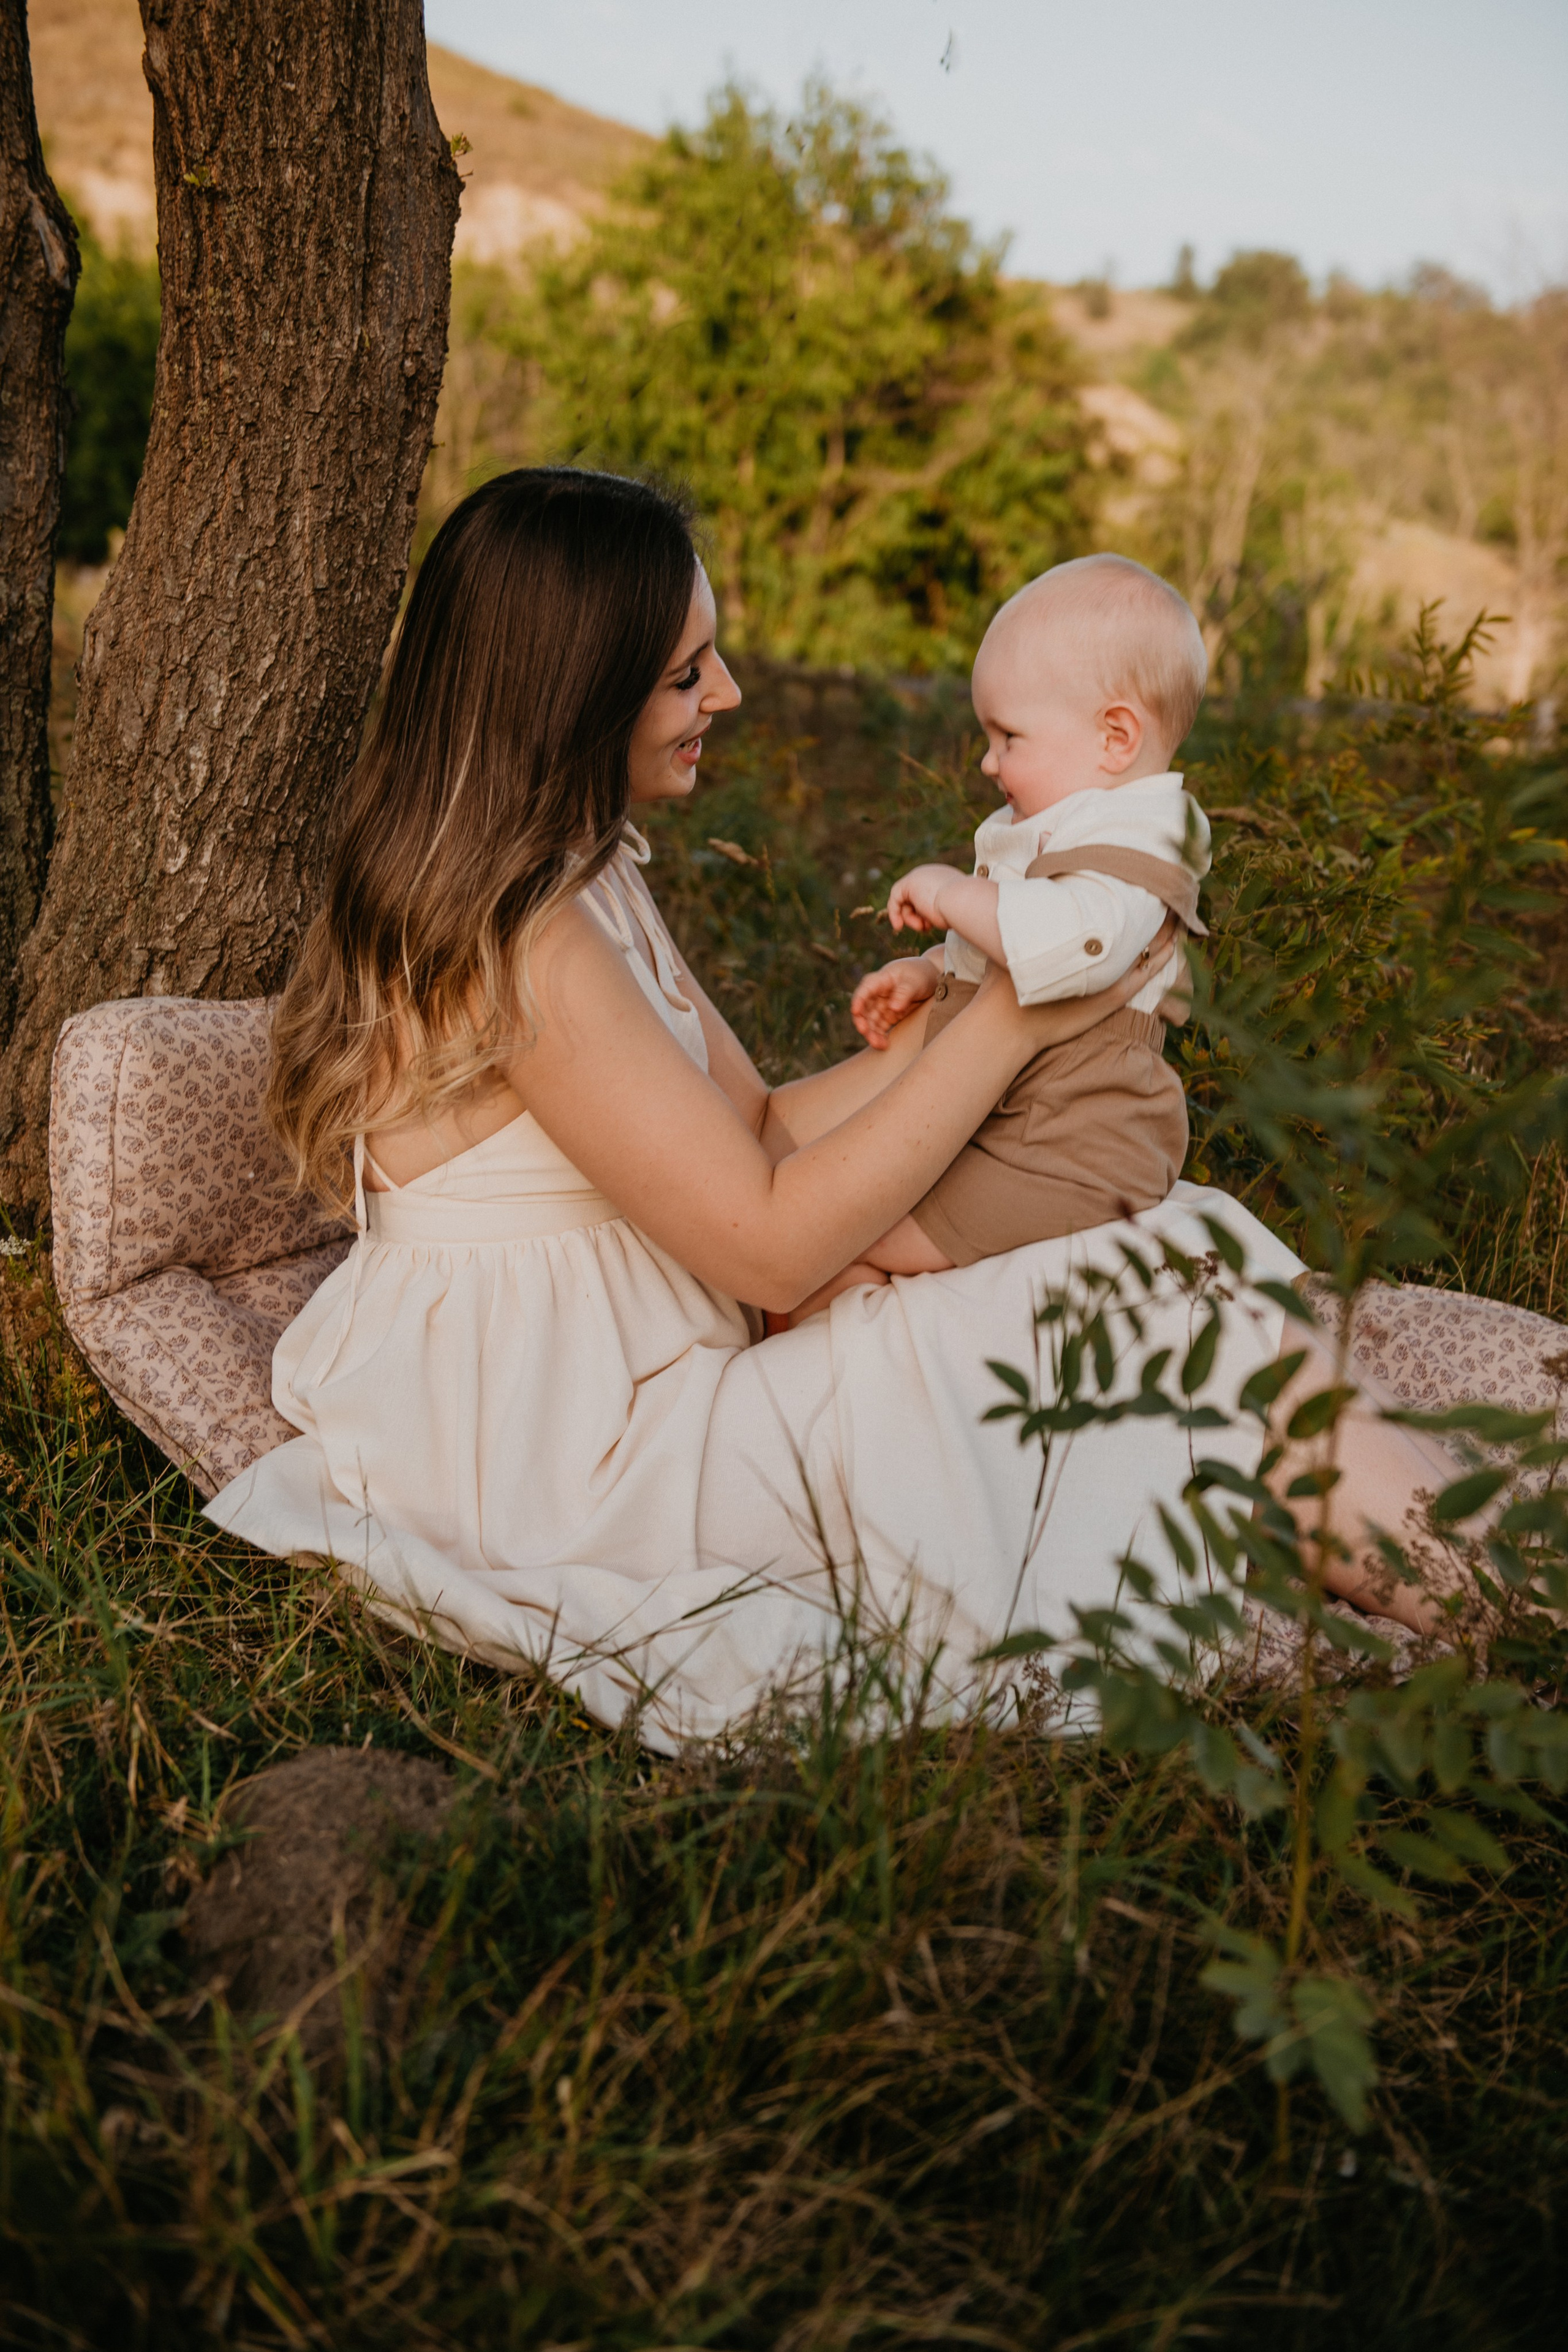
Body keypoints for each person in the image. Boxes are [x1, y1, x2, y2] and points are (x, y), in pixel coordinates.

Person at [206, 467, 1479, 1752]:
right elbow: (768, 1242)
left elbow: (754, 1126)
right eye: (685, 674)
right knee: (1163, 1292)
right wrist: (1017, 1013)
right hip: (581, 1462)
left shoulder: (580, 879)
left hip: (648, 1383)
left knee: (1174, 1254)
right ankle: (1495, 1615)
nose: (729, 696)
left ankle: (1474, 1590)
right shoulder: (527, 943)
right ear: (572, 695)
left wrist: (970, 1000)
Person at [797, 555, 1209, 1321]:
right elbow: (1010, 951)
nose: (988, 763)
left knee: (841, 1237)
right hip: (1017, 1127)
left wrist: (955, 895)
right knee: (840, 1222)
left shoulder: (1140, 852)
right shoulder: (1077, 815)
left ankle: (868, 1363)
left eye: (1007, 737)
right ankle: (858, 1350)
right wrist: (932, 969)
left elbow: (1063, 947)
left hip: (1067, 1156)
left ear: (1115, 737)